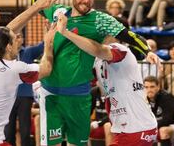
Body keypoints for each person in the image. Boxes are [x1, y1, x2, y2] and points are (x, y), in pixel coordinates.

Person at [13, 0, 154, 146]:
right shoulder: (58, 12)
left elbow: (128, 35)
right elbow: (38, 2)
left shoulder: (100, 19)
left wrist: (147, 51)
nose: (87, 0)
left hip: (79, 96)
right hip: (51, 94)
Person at [56, 13, 158, 146]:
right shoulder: (98, 60)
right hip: (133, 127)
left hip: (134, 129)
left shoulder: (120, 49)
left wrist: (67, 33)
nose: (98, 30)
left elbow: (97, 49)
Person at [0, 9, 45, 146]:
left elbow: (44, 45)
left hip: (24, 95)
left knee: (25, 130)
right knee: (8, 130)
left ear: (22, 39)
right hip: (8, 95)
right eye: (15, 37)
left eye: (19, 37)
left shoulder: (29, 51)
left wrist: (48, 30)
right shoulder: (3, 54)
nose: (17, 39)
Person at [144, 76, 174, 146]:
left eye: (152, 87)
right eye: (146, 87)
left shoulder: (167, 97)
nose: (149, 90)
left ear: (158, 87)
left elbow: (166, 120)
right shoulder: (145, 99)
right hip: (156, 126)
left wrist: (149, 127)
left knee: (163, 130)